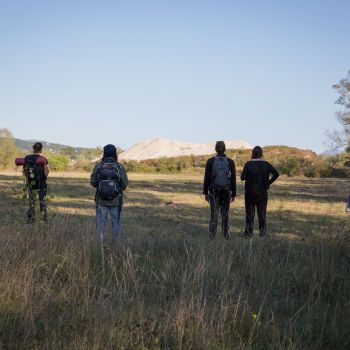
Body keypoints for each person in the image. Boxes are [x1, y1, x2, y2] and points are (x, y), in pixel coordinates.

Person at [90, 144, 128, 243]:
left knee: (101, 225)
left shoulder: (99, 166)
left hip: (101, 201)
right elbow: (124, 184)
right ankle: (115, 248)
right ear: (115, 154)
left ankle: (100, 248)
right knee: (116, 224)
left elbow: (93, 182)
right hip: (116, 201)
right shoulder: (119, 166)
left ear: (104, 153)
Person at [241, 146, 279, 237]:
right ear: (261, 154)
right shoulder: (266, 164)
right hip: (262, 192)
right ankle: (263, 233)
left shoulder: (248, 164)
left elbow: (242, 177)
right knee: (262, 213)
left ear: (253, 153)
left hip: (250, 192)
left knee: (250, 213)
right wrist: (268, 183)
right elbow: (276, 173)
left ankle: (248, 233)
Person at [203, 141, 236, 240]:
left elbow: (206, 178)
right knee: (225, 213)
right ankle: (226, 233)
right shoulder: (230, 162)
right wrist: (233, 193)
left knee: (214, 213)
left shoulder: (210, 161)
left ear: (215, 149)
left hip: (213, 191)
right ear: (225, 148)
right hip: (226, 191)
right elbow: (233, 178)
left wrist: (205, 192)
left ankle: (212, 234)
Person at [24, 142, 49, 222]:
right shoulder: (43, 159)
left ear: (33, 148)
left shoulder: (27, 158)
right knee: (42, 202)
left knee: (31, 202)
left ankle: (30, 219)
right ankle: (43, 219)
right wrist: (44, 164)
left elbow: (24, 171)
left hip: (31, 184)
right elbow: (46, 173)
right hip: (41, 184)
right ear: (41, 149)